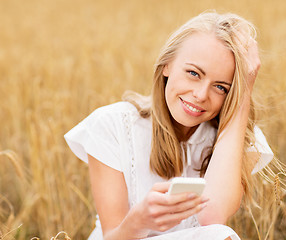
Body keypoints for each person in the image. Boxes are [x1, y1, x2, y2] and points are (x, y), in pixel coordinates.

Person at [64, 11, 274, 240]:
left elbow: (213, 218)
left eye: (221, 87)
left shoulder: (240, 139)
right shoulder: (112, 125)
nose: (200, 95)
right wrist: (139, 220)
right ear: (167, 65)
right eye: (193, 73)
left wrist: (243, 93)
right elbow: (112, 236)